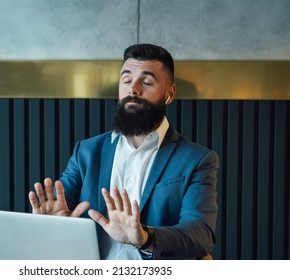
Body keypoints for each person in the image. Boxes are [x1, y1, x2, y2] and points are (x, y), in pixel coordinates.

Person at [28, 43, 219, 260]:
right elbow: (58, 206)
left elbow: (201, 234)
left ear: (170, 93)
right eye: (126, 80)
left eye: (146, 82)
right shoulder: (87, 152)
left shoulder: (197, 160)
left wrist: (146, 238)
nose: (133, 89)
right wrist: (47, 224)